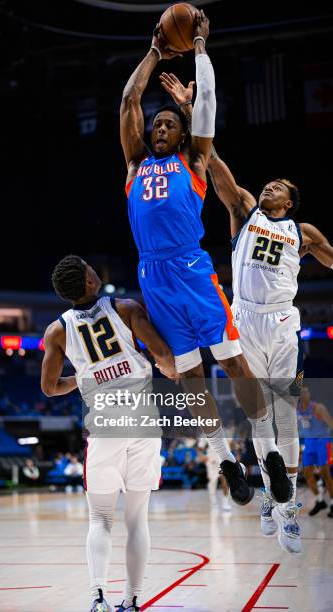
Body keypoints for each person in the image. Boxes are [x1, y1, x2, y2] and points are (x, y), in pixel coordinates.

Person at [120, 11, 292, 509]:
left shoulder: (193, 161)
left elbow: (208, 106)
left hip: (192, 269)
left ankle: (269, 456)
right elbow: (130, 99)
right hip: (153, 274)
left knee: (234, 362)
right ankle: (225, 463)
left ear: (182, 135)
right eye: (157, 123)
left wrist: (197, 44)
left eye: (170, 123)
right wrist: (154, 50)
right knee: (189, 375)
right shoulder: (134, 165)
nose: (160, 126)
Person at [159, 70, 333, 553]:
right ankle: (270, 496)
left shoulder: (305, 232)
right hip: (245, 319)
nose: (270, 185)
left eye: (280, 186)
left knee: (287, 416)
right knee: (259, 417)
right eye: (270, 182)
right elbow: (212, 162)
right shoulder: (244, 209)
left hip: (284, 323)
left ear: (291, 201)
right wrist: (192, 110)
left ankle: (288, 505)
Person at [41, 254, 176, 612]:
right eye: (89, 268)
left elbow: (49, 388)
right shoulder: (127, 308)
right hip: (144, 422)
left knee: (100, 519)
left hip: (104, 425)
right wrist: (171, 367)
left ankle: (98, 598)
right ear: (88, 282)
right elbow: (162, 354)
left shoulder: (57, 330)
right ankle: (131, 602)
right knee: (137, 520)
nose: (93, 270)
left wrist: (84, 378)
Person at [298, 387, 333, 518]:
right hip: (309, 444)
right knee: (307, 474)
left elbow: (331, 424)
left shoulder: (318, 408)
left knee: (325, 474)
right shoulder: (296, 410)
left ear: (309, 394)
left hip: (323, 442)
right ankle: (320, 501)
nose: (304, 394)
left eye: (306, 391)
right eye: (301, 392)